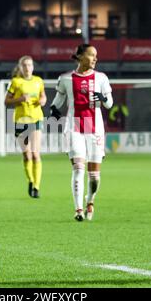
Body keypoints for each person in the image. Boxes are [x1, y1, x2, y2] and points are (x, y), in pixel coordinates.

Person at [49, 44, 113, 221]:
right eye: (91, 55)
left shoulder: (101, 78)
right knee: (78, 168)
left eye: (96, 56)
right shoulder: (66, 79)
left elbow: (109, 104)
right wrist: (53, 109)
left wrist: (102, 98)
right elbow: (58, 100)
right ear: (80, 56)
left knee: (94, 177)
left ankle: (90, 200)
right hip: (73, 127)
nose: (95, 59)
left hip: (95, 129)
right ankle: (78, 210)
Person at [4, 56, 47, 198]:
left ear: (33, 67)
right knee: (27, 155)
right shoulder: (16, 82)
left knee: (35, 153)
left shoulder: (38, 81)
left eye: (30, 65)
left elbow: (43, 97)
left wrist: (42, 100)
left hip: (36, 119)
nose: (28, 68)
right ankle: (30, 180)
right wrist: (20, 99)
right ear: (20, 67)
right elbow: (6, 101)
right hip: (20, 121)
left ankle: (36, 186)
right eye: (25, 65)